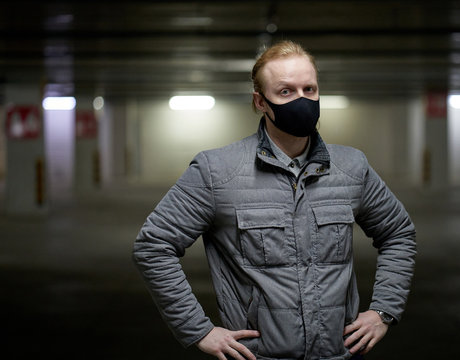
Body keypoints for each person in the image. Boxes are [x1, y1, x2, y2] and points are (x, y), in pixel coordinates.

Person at [133, 40, 416, 360]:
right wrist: (197, 329)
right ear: (260, 101)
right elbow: (154, 245)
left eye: (309, 89)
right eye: (286, 91)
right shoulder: (217, 171)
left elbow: (398, 233)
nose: (302, 100)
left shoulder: (351, 168)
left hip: (339, 353)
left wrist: (383, 310)